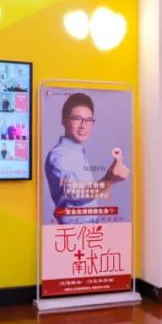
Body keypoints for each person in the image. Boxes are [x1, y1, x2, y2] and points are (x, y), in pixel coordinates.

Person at [45, 93, 129, 225]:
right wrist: (108, 180)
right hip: (74, 231)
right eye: (77, 119)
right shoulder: (59, 155)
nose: (83, 126)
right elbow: (74, 193)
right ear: (63, 120)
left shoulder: (77, 151)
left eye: (89, 120)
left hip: (88, 229)